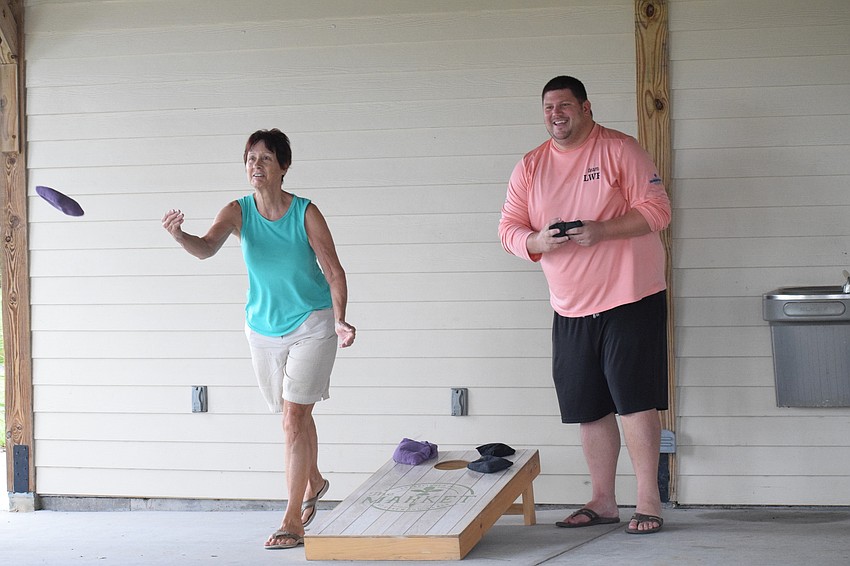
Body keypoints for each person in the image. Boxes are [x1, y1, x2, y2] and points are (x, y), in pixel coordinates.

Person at [162, 128, 356, 550]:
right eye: (251, 158)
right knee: (294, 415)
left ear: (284, 167)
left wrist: (341, 319)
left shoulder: (306, 212)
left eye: (266, 158)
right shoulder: (238, 211)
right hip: (262, 330)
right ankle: (316, 480)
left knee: (292, 419)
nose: (256, 165)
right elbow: (206, 247)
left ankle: (292, 520)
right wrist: (180, 236)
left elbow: (334, 270)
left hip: (312, 323)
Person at [498, 76, 671, 534]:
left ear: (587, 108)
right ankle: (603, 501)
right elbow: (508, 229)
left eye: (565, 105)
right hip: (570, 305)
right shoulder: (530, 166)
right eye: (548, 107)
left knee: (634, 402)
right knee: (588, 406)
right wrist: (536, 241)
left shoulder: (619, 149)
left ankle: (648, 502)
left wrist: (602, 230)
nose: (557, 114)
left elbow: (658, 209)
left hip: (630, 296)